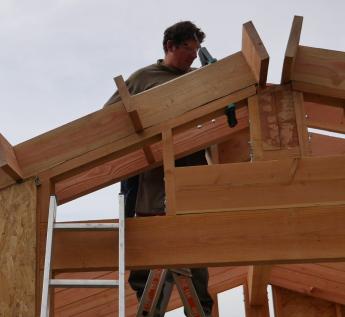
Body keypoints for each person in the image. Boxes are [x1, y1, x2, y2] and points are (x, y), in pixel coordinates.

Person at [103, 21, 214, 317]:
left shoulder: (201, 78)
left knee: (193, 240)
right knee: (146, 238)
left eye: (197, 50)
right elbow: (107, 121)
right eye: (189, 49)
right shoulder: (144, 78)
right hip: (148, 175)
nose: (193, 55)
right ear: (170, 46)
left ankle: (202, 307)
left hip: (189, 172)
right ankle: (148, 305)